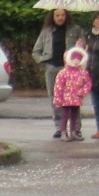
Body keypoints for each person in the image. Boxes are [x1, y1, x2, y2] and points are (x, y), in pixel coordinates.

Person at [32, 7, 80, 139]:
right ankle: (59, 128)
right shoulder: (46, 32)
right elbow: (36, 51)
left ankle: (75, 129)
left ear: (66, 16)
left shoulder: (75, 30)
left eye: (62, 15)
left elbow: (81, 50)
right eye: (57, 15)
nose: (60, 18)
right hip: (52, 68)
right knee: (55, 98)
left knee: (74, 99)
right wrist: (44, 63)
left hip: (70, 69)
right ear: (52, 17)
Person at [53, 45, 92, 141]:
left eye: (78, 59)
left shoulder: (83, 73)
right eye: (74, 59)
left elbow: (88, 84)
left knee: (75, 115)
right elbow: (58, 86)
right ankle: (63, 132)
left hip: (76, 98)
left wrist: (82, 92)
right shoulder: (63, 73)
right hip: (65, 99)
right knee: (65, 115)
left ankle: (73, 132)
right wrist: (58, 98)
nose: (76, 61)